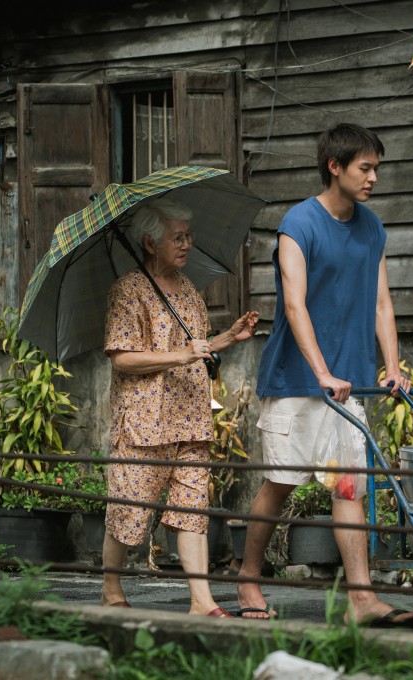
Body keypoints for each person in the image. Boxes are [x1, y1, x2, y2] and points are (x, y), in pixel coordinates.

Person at [236, 123, 413, 627]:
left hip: (349, 386)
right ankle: (248, 577)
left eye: (377, 168)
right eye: (365, 168)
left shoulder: (372, 227)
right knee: (280, 485)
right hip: (297, 384)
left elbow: (383, 302)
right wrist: (320, 370)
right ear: (334, 167)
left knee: (348, 490)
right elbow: (293, 306)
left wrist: (391, 367)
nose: (374, 178)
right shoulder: (298, 225)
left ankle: (361, 601)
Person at [101, 197, 259, 617]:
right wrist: (178, 356)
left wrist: (228, 338)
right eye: (178, 237)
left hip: (190, 417)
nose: (187, 244)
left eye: (189, 236)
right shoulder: (127, 291)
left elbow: (197, 347)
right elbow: (121, 357)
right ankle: (110, 585)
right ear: (151, 244)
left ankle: (201, 601)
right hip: (144, 420)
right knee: (130, 507)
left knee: (192, 511)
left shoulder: (189, 289)